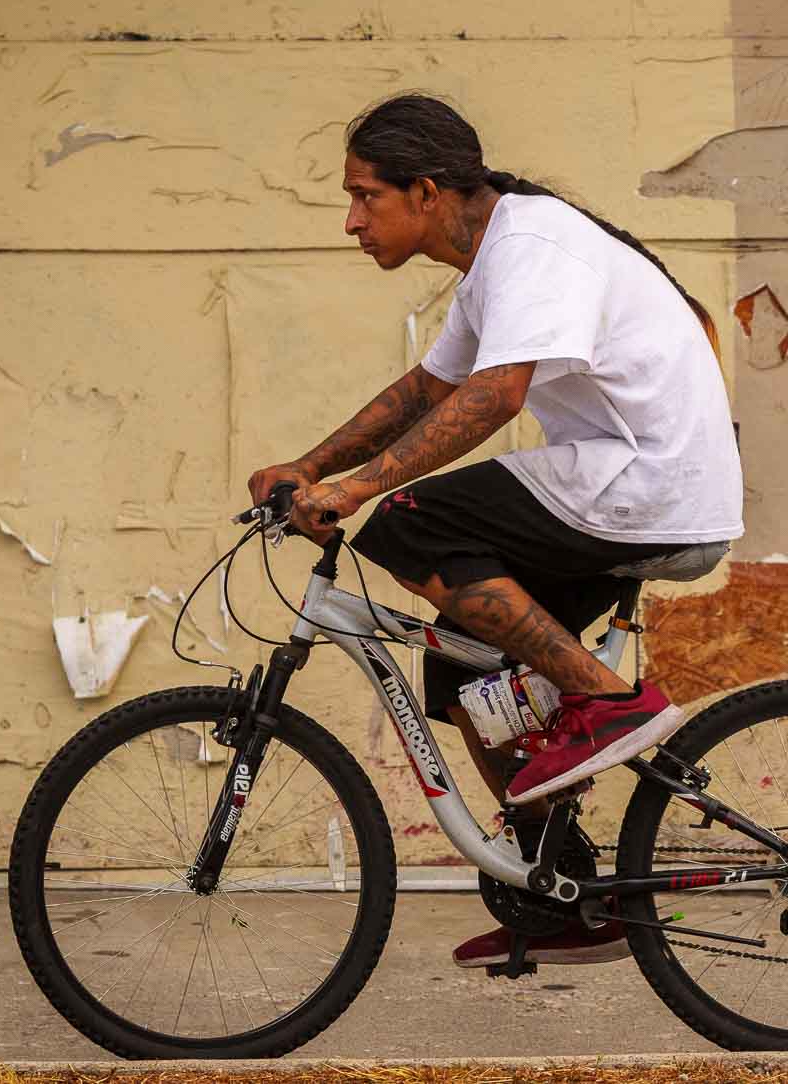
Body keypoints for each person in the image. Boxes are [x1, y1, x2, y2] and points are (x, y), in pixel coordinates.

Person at [246, 93, 743, 969]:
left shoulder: (532, 246)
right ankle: (567, 897)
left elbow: (494, 395)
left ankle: (602, 699)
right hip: (616, 489)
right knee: (464, 657)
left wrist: (362, 488)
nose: (351, 220)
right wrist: (312, 467)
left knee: (409, 521)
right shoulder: (491, 264)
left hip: (649, 486)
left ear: (427, 192)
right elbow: (429, 390)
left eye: (366, 196)